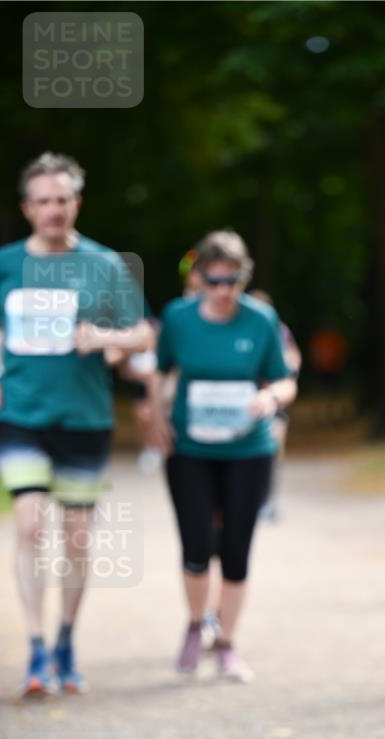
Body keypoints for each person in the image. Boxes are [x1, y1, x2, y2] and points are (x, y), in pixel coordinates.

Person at [0, 152, 152, 696]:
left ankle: (66, 639)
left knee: (77, 539)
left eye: (62, 200)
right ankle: (35, 647)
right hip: (20, 414)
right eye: (43, 201)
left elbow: (142, 334)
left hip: (83, 415)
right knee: (31, 524)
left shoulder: (105, 265)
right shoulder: (4, 264)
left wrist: (104, 338)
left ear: (76, 203)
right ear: (27, 207)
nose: (53, 210)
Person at [150, 230, 297, 682]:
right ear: (200, 279)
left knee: (235, 549)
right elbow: (160, 371)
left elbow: (285, 378)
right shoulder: (178, 318)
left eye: (231, 281)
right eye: (213, 281)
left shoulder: (260, 319)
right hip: (190, 449)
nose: (222, 291)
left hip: (247, 451)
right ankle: (196, 624)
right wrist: (156, 419)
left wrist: (270, 399)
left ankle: (227, 642)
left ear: (243, 278)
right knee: (196, 546)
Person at [248, 288, 301, 521]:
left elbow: (293, 357)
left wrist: (284, 372)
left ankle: (268, 500)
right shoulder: (240, 328)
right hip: (247, 402)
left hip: (273, 401)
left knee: (275, 449)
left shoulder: (279, 330)